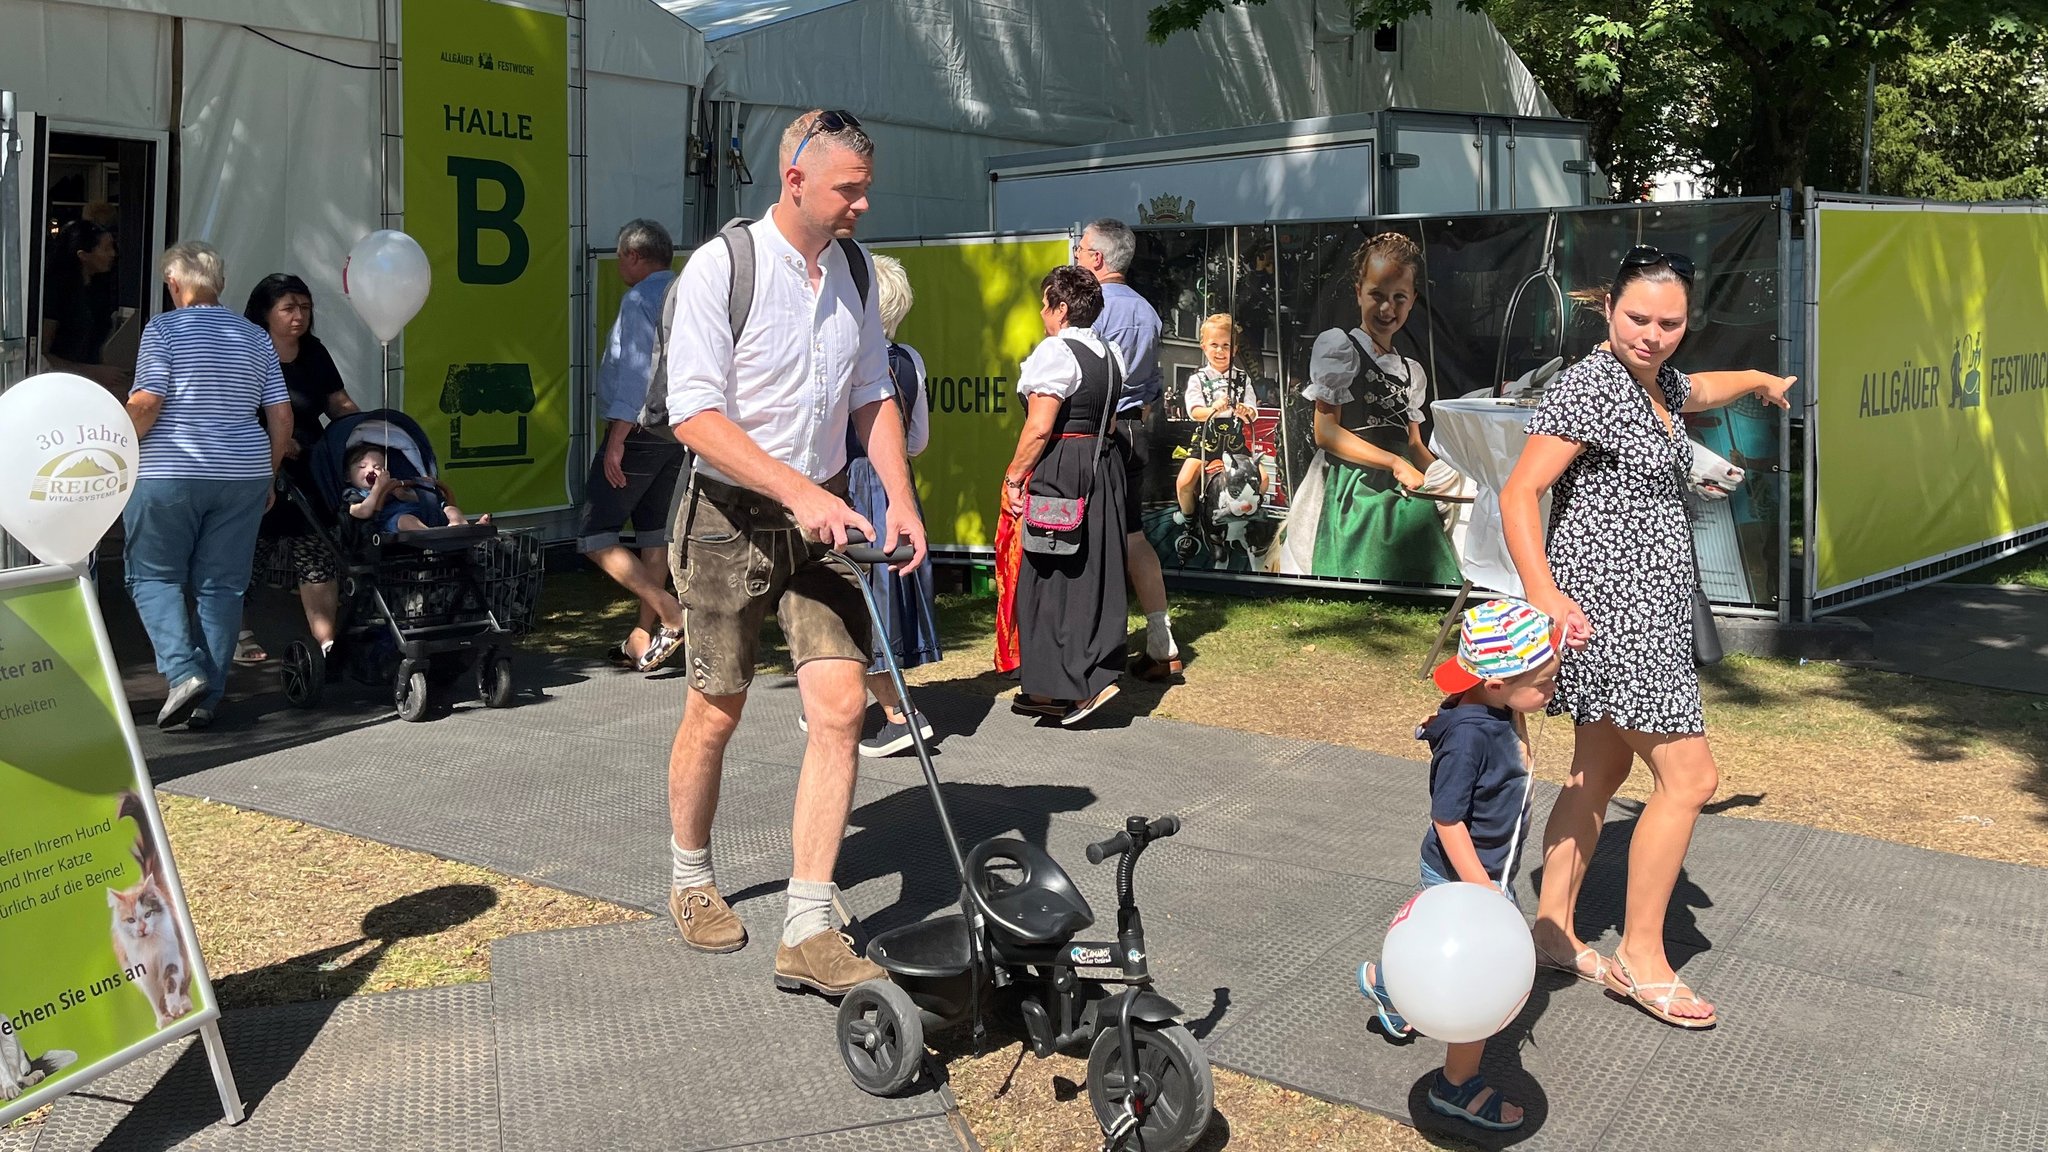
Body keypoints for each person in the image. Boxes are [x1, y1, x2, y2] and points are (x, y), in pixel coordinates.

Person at [659, 109, 926, 996]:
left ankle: (807, 923)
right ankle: (692, 877)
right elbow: (693, 416)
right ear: (795, 179)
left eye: (864, 189)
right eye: (848, 189)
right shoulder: (720, 268)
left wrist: (901, 501)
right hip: (727, 519)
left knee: (843, 705)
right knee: (717, 710)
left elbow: (871, 395)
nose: (860, 206)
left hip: (825, 521)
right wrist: (799, 490)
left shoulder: (853, 270)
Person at [1499, 246, 1795, 1029]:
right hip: (1609, 615)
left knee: (1595, 776)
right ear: (1608, 309)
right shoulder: (1592, 384)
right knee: (1690, 780)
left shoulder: (1657, 380)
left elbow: (1705, 386)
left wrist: (1763, 382)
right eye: (1638, 318)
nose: (1654, 335)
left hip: (1648, 612)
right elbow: (1521, 491)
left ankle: (1554, 929)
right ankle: (1642, 953)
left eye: (1670, 322)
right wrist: (1542, 593)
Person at [1355, 598, 1558, 1133]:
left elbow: (1494, 684)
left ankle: (1394, 989)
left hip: (1483, 874)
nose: (1552, 690)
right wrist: (1484, 894)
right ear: (1495, 685)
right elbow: (1448, 820)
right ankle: (1455, 1088)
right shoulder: (1471, 736)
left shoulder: (1496, 703)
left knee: (1445, 968)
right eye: (1544, 682)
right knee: (1480, 984)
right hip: (1465, 877)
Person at [124, 241, 292, 731]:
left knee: (153, 576)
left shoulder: (163, 329)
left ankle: (182, 673)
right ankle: (207, 698)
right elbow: (280, 416)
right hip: (243, 473)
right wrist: (270, 472)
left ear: (173, 284)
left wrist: (112, 442)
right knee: (221, 586)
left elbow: (149, 403)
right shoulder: (255, 337)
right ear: (218, 284)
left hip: (170, 472)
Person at [1269, 232, 1460, 584]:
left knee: (1438, 508)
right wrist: (1393, 463)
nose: (1388, 309)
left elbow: (1414, 445)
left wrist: (1446, 477)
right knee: (1408, 520)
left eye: (1399, 298)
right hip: (1350, 483)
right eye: (1377, 295)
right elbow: (1325, 433)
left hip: (1397, 478)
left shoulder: (1409, 371)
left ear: (1412, 300)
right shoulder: (1339, 348)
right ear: (1359, 291)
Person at [1002, 265, 1128, 726]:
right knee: (1091, 573)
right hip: (1103, 466)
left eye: (1044, 303)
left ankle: (1077, 687)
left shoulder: (1056, 352)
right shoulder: (1111, 351)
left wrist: (1015, 477)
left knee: (1050, 575)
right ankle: (1051, 688)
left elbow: (1039, 427)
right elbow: (1108, 421)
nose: (1040, 312)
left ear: (1060, 308)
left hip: (1062, 468)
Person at [581, 219, 688, 673]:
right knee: (653, 537)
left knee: (593, 533)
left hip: (641, 430)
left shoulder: (639, 299)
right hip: (680, 432)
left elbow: (634, 373)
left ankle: (670, 611)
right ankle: (644, 638)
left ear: (633, 256)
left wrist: (616, 441)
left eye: (622, 257)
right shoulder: (688, 292)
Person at [1077, 218, 1181, 680]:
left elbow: (1077, 374)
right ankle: (1162, 643)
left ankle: (1096, 649)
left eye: (1080, 249)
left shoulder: (1093, 309)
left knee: (1091, 538)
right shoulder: (1148, 312)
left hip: (1098, 432)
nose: (1076, 256)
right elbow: (1155, 384)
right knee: (1133, 536)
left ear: (1097, 258)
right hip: (1135, 429)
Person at [846, 254, 941, 757]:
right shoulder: (910, 360)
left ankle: (899, 714)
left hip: (854, 482)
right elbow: (917, 440)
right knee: (881, 591)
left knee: (859, 594)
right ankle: (838, 697)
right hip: (895, 485)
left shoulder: (847, 357)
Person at [239, 273, 360, 662]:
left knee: (316, 552)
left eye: (305, 308)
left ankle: (326, 641)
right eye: (288, 308)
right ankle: (236, 632)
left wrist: (362, 428)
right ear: (265, 313)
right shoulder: (247, 349)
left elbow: (337, 402)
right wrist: (275, 441)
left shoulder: (313, 351)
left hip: (308, 466)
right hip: (260, 464)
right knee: (248, 553)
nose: (299, 316)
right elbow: (233, 409)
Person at [1172, 313, 1260, 526]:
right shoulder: (1198, 379)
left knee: (1263, 478)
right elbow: (1195, 412)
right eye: (1214, 345)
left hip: (1235, 446)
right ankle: (1188, 517)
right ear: (1204, 347)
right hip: (1206, 444)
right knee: (1184, 481)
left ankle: (1251, 513)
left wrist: (1244, 410)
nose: (1220, 351)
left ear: (1235, 349)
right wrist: (1211, 409)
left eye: (1226, 345)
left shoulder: (1242, 378)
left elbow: (1253, 412)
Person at [41, 219, 128, 397]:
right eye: (105, 248)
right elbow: (41, 354)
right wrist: (92, 372)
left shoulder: (99, 289)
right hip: (61, 387)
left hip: (93, 382)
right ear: (83, 255)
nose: (113, 254)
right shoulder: (56, 292)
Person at [341, 445, 484, 532]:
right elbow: (363, 512)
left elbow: (419, 498)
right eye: (362, 467)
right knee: (406, 520)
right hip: (395, 520)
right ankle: (430, 535)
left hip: (423, 511)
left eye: (378, 467)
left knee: (449, 509)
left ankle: (463, 529)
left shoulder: (393, 484)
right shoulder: (354, 493)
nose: (371, 470)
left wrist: (404, 495)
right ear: (348, 476)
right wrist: (377, 489)